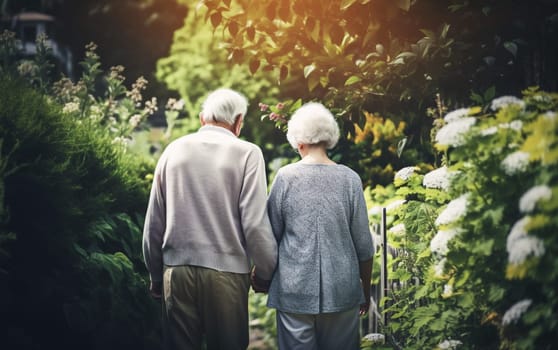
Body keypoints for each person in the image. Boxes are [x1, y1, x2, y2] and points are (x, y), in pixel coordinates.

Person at [142, 88, 278, 350]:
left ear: (203, 118)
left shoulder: (173, 150)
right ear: (238, 121)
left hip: (177, 271)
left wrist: (156, 274)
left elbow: (154, 222)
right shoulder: (248, 153)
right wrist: (264, 272)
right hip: (227, 274)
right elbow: (254, 224)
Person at [266, 102, 374, 350]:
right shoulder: (350, 179)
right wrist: (364, 292)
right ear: (328, 138)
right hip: (342, 290)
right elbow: (364, 246)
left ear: (298, 141)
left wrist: (261, 277)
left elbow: (270, 237)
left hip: (294, 290)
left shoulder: (285, 177)